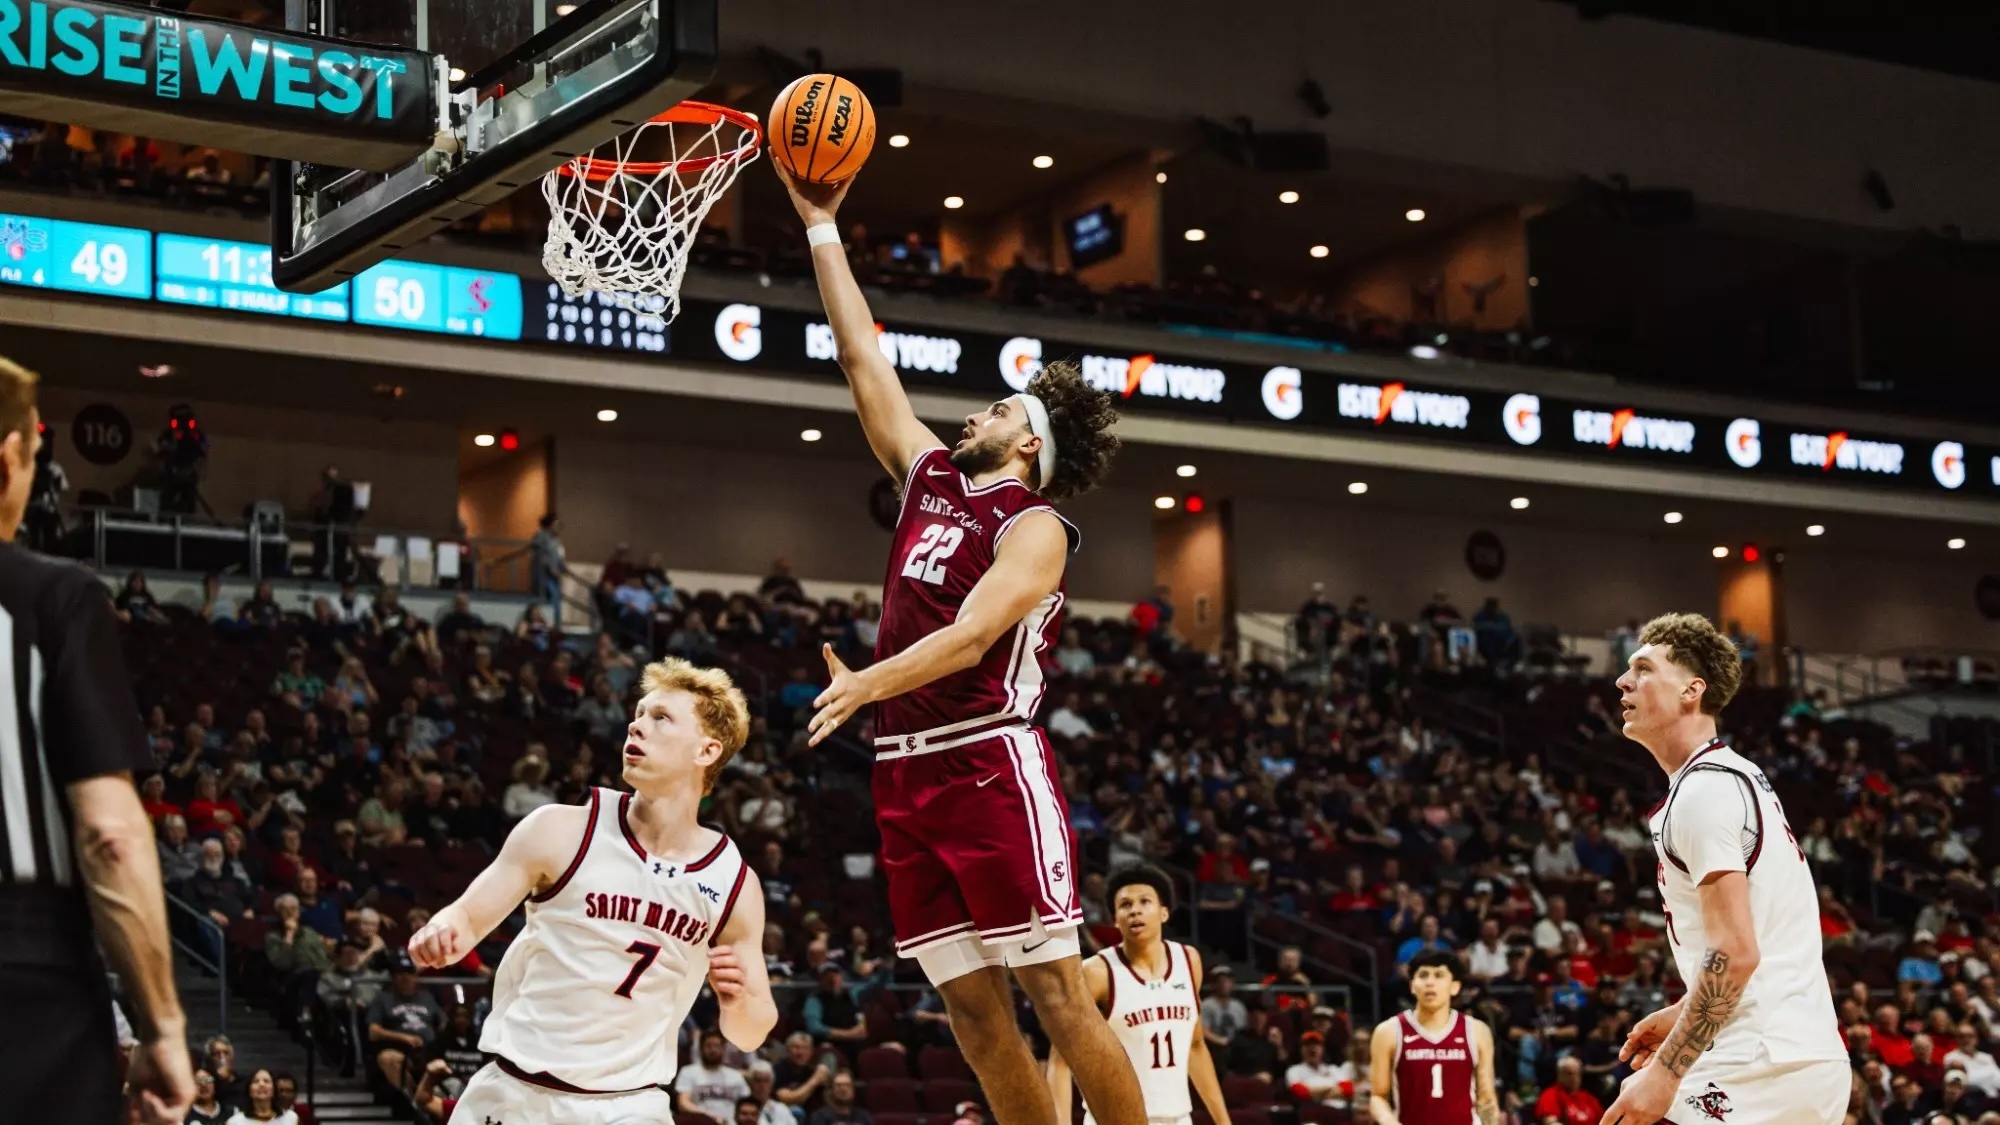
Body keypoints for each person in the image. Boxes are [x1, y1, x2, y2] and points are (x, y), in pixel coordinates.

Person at [776, 166, 1140, 1125]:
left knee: (1056, 998)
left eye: (1004, 410)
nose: (980, 411)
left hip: (987, 763)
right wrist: (821, 227)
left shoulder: (1037, 527)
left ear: (1031, 447)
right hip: (904, 772)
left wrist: (865, 684)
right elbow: (863, 361)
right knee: (974, 1017)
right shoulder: (929, 475)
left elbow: (974, 633)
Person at [407, 658, 777, 1123]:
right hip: (517, 1094)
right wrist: (442, 931)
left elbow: (751, 1031)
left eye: (660, 718)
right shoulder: (559, 829)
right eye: (638, 714)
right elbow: (465, 917)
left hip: (629, 1106)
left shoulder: (734, 883)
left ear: (706, 751)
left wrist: (737, 1000)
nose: (636, 726)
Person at [0, 357, 192, 1125]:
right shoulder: (50, 598)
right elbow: (111, 833)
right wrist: (162, 1026)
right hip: (24, 986)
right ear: (9, 457)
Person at [1608, 613, 1849, 1125]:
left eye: (1643, 668)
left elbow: (1735, 952)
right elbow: (1761, 939)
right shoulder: (1737, 776)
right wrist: (1682, 1016)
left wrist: (1667, 1072)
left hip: (1759, 1062)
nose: (1622, 681)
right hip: (1803, 1058)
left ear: (1691, 690)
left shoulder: (1704, 791)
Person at [1047, 866, 1229, 1125]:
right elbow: (1060, 1061)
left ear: (1164, 912)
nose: (1135, 910)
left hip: (1177, 1117)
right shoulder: (1097, 972)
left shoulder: (1189, 961)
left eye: (1145, 902)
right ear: (1115, 919)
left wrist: (1224, 1122)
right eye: (1125, 904)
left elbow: (1195, 1047)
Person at [1367, 951, 1500, 1125]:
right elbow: (1378, 1096)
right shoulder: (1388, 1031)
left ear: (1455, 987)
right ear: (1412, 985)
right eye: (1423, 975)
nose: (1430, 982)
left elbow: (1486, 1099)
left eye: (1439, 975)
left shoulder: (1476, 1031)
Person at [677, 1028, 753, 1124]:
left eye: (716, 1046)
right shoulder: (688, 1072)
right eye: (708, 1046)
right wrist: (709, 1117)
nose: (713, 1050)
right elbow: (683, 1103)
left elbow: (748, 1106)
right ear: (701, 1048)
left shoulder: (736, 1076)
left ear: (723, 1048)